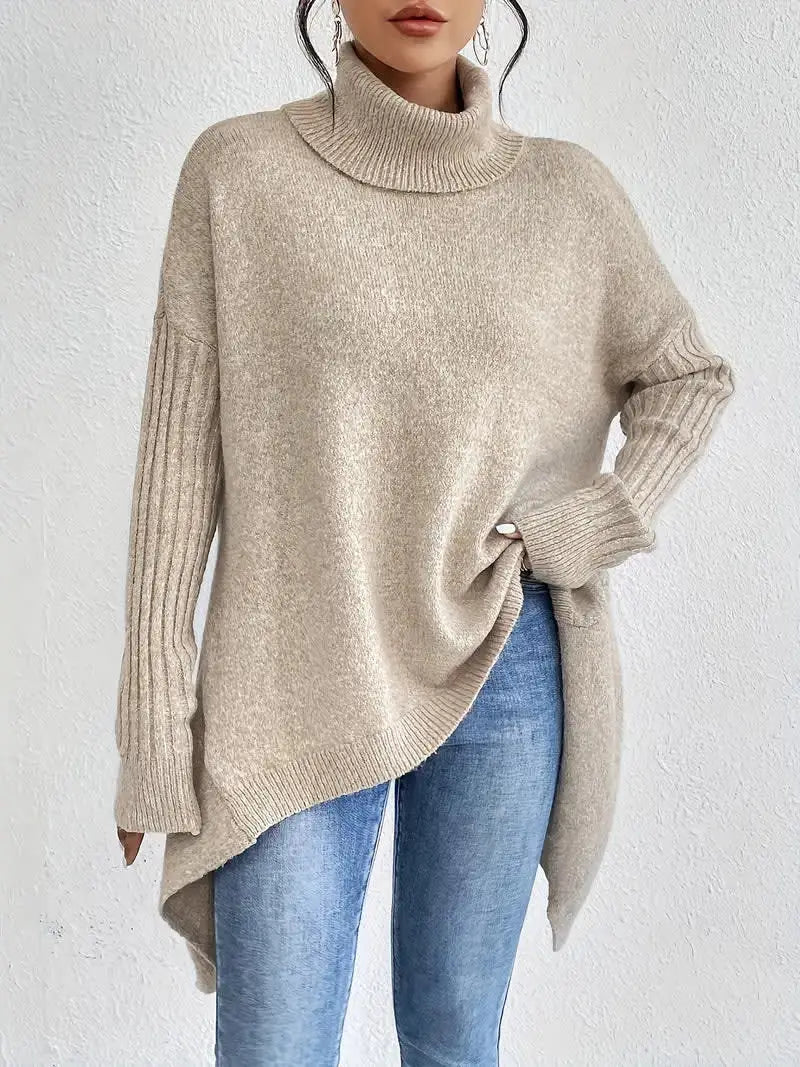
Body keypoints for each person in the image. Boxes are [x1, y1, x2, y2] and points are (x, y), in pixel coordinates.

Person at [113, 1, 735, 1063]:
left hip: (504, 654)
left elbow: (687, 376)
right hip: (291, 674)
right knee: (273, 1044)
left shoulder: (566, 196)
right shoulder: (241, 173)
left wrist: (597, 519)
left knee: (452, 1035)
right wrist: (154, 735)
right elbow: (177, 474)